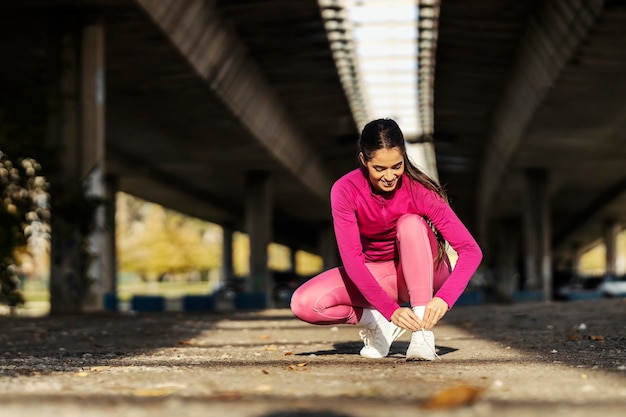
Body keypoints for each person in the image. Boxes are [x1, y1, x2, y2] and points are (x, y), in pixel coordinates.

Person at [290, 118, 482, 360]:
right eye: (379, 168)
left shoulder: (420, 191)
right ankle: (380, 325)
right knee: (304, 303)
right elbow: (353, 261)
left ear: (404, 157)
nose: (390, 176)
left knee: (410, 223)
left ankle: (422, 333)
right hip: (384, 278)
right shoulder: (345, 190)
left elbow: (470, 250)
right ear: (363, 160)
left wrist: (444, 299)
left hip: (429, 271)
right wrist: (389, 311)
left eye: (397, 166)